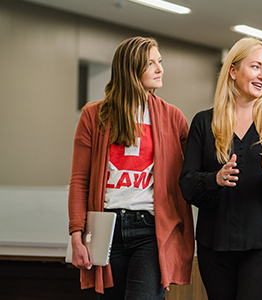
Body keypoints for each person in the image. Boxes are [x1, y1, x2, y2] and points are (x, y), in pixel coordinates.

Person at [68, 36, 194, 299]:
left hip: (151, 229)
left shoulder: (173, 117)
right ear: (130, 69)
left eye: (160, 62)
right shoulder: (94, 116)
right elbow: (80, 181)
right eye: (151, 63)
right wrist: (76, 234)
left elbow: (191, 174)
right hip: (105, 229)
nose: (160, 69)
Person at [179, 37, 262, 300]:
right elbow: (187, 184)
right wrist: (215, 179)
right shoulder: (204, 123)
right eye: (256, 67)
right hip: (215, 245)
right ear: (233, 71)